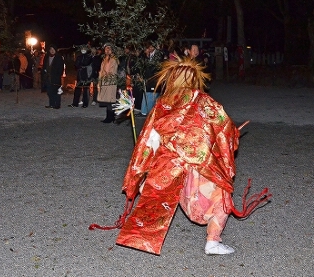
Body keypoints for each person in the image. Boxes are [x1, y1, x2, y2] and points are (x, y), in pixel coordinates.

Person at [114, 57, 270, 255]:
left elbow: (151, 138)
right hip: (199, 166)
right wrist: (231, 135)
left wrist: (144, 169)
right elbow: (223, 126)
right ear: (195, 78)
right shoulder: (204, 101)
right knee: (221, 197)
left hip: (168, 167)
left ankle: (145, 231)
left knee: (163, 199)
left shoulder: (164, 103)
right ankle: (213, 241)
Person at [97, 43, 119, 123]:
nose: (107, 50)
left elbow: (113, 70)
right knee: (107, 100)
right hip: (105, 81)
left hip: (111, 81)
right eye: (106, 48)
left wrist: (106, 74)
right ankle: (109, 116)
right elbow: (101, 70)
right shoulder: (104, 59)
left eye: (109, 48)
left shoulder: (114, 59)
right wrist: (100, 80)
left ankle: (111, 117)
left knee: (111, 99)